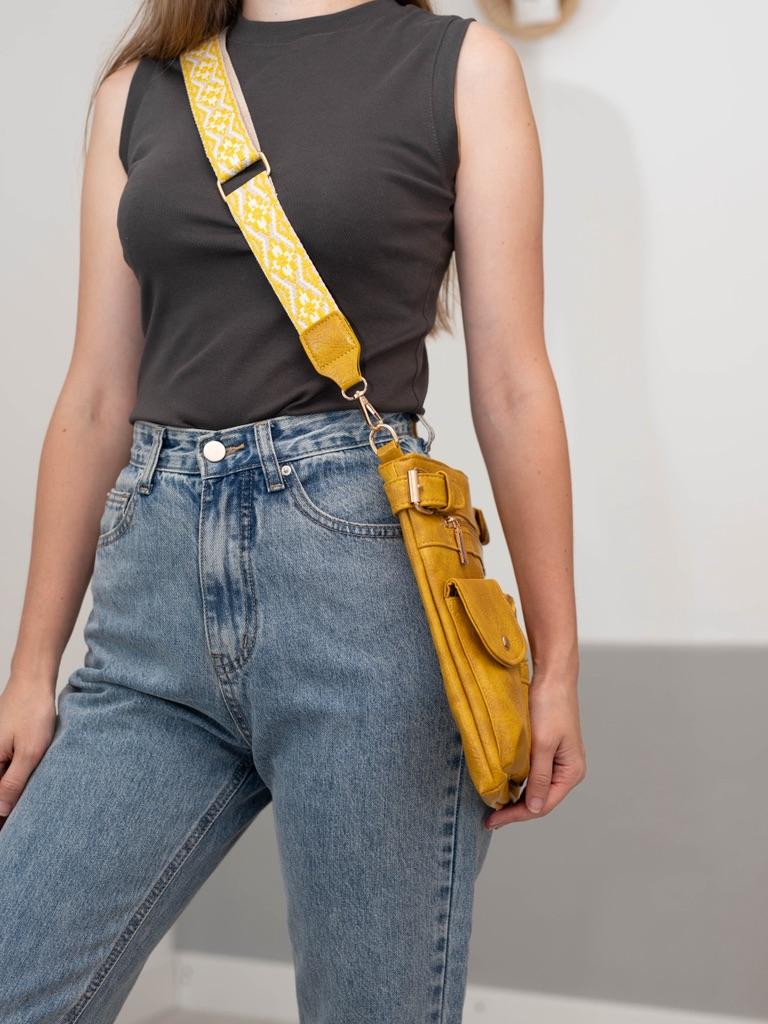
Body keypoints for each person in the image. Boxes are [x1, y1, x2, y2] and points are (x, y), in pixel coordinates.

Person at [0, 0, 586, 1020]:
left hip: (365, 597)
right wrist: (30, 670)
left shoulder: (459, 66)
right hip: (149, 613)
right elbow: (95, 396)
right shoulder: (138, 89)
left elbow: (512, 384)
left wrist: (557, 665)